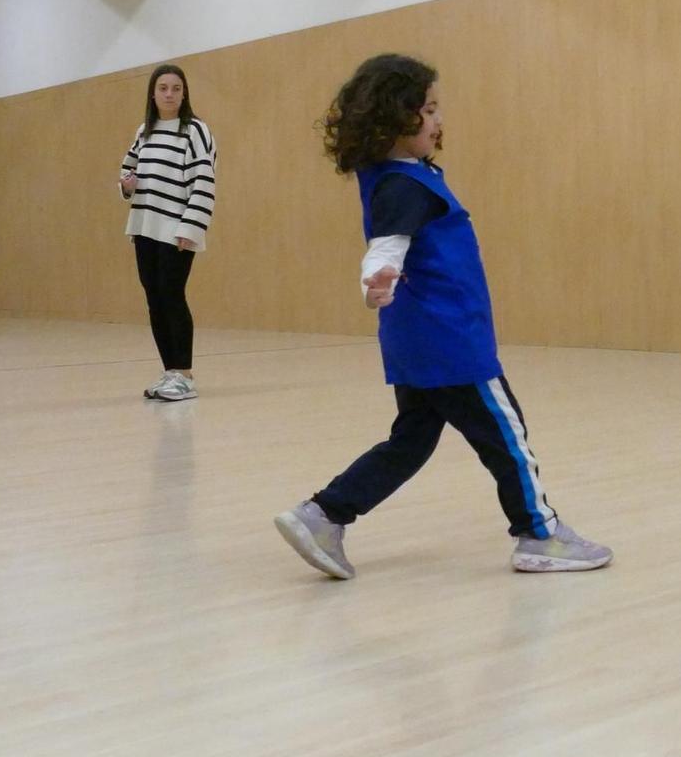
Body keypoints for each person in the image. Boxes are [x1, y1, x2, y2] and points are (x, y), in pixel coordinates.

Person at [274, 53, 611, 579]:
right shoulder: (404, 185)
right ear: (395, 115)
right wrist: (375, 278)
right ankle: (539, 533)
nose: (438, 121)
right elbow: (387, 246)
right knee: (507, 435)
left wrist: (380, 281)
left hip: (416, 341)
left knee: (410, 441)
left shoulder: (401, 177)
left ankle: (323, 515)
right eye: (428, 109)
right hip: (450, 340)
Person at [119, 63, 216, 402]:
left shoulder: (195, 131)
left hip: (177, 228)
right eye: (163, 88)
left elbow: (204, 180)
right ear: (153, 93)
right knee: (154, 297)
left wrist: (191, 226)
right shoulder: (143, 130)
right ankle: (170, 372)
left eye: (176, 88)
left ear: (184, 92)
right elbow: (128, 169)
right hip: (144, 226)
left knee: (172, 295)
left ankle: (185, 376)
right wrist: (127, 186)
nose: (170, 94)